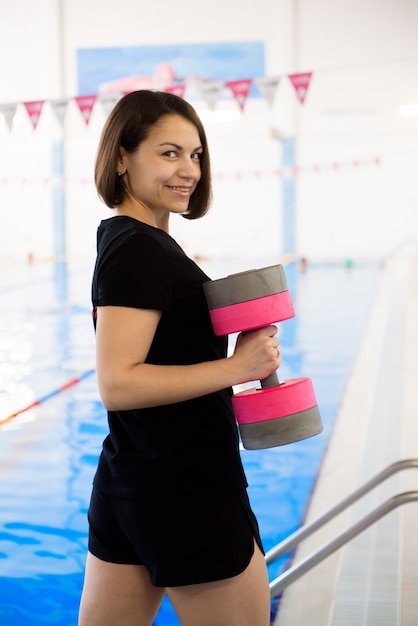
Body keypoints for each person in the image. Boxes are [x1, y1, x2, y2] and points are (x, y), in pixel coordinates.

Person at [78, 89, 281, 626]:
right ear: (122, 157)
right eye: (169, 153)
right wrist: (239, 368)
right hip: (188, 492)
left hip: (133, 481)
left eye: (195, 155)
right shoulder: (138, 249)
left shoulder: (130, 241)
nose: (188, 170)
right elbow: (117, 384)